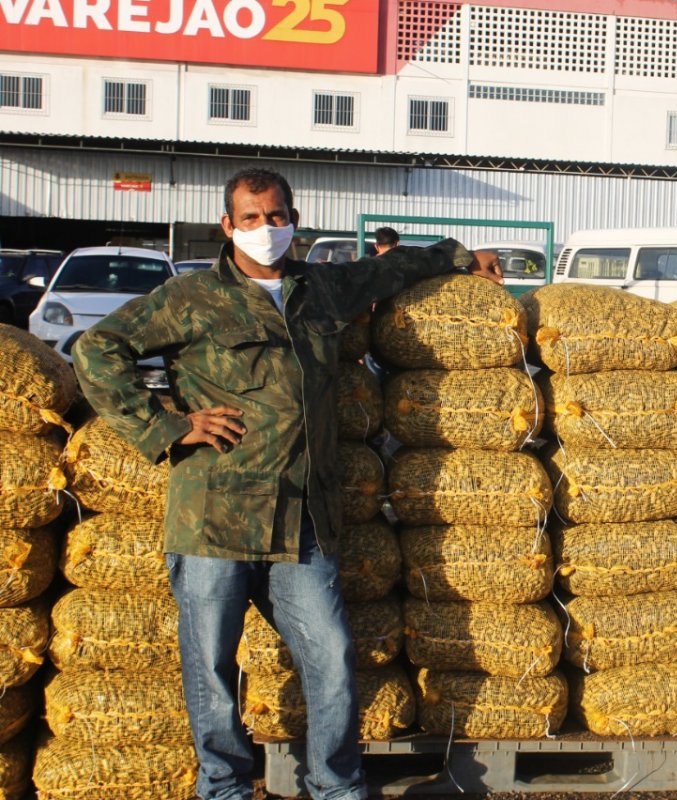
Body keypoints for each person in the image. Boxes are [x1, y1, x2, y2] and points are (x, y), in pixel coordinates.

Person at [71, 167, 502, 800]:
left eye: (276, 216)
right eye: (251, 218)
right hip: (214, 517)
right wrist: (167, 427)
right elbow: (97, 349)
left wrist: (462, 256)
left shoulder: (320, 290)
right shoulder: (191, 298)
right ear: (228, 225)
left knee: (330, 664)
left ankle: (335, 787)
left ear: (293, 220)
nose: (265, 229)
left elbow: (390, 269)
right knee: (213, 673)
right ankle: (223, 788)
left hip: (303, 520)